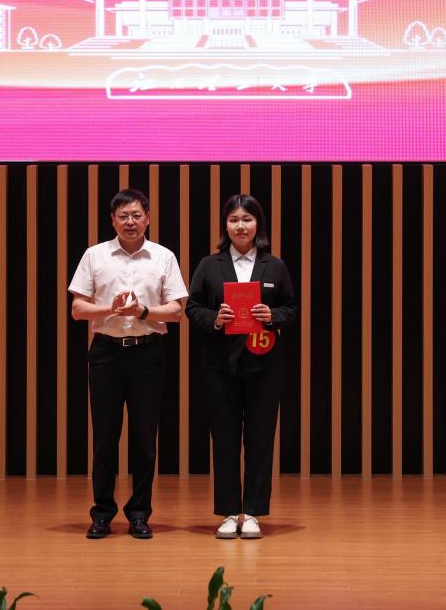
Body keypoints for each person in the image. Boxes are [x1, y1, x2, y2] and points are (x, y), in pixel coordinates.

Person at [69, 188, 188, 540]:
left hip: (147, 354)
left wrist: (142, 312)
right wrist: (112, 309)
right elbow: (77, 309)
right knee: (105, 438)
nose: (130, 222)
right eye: (123, 216)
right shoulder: (95, 255)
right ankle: (102, 514)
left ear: (147, 218)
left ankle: (139, 514)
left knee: (144, 439)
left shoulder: (163, 257)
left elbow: (177, 311)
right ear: (113, 220)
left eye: (136, 215)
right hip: (105, 353)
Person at [186, 194, 299, 540]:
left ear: (257, 224)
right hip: (220, 366)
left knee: (260, 440)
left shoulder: (274, 266)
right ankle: (227, 512)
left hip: (265, 367)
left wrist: (272, 315)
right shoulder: (209, 265)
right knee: (224, 440)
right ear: (226, 225)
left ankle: (251, 513)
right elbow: (192, 307)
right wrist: (215, 318)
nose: (240, 226)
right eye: (234, 219)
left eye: (247, 219)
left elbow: (291, 308)